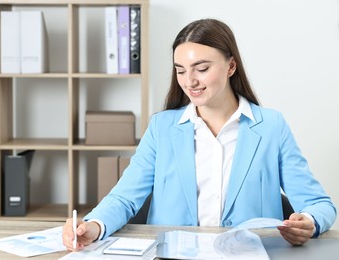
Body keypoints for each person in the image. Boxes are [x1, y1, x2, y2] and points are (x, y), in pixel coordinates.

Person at [62, 18, 336, 250]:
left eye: (201, 69)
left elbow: (319, 204)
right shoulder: (162, 128)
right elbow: (124, 198)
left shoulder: (271, 127)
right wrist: (94, 226)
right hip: (173, 255)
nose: (189, 81)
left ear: (231, 66)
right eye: (180, 70)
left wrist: (309, 222)